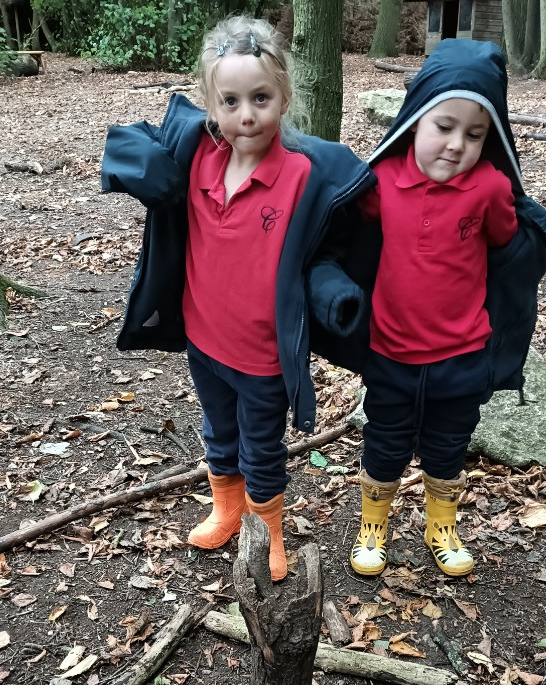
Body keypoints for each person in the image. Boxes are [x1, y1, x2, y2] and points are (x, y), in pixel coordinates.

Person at [102, 17, 374, 581]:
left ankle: (266, 531)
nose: (245, 115)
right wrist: (143, 169)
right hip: (204, 340)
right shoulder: (198, 157)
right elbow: (130, 144)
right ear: (211, 104)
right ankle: (226, 509)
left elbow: (333, 244)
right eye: (230, 100)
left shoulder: (302, 175)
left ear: (284, 98)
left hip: (263, 356)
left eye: (260, 98)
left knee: (262, 447)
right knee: (218, 432)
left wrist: (334, 294)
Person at [350, 39, 546, 578]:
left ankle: (441, 522)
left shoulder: (489, 188)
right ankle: (374, 522)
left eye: (474, 134)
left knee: (449, 444)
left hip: (462, 352)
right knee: (384, 439)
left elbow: (504, 245)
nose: (455, 145)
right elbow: (352, 234)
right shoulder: (381, 185)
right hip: (391, 351)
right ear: (415, 119)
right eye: (443, 126)